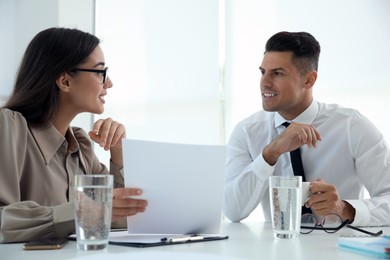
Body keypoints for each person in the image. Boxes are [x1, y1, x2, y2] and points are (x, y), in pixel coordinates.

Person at [224, 31, 390, 227]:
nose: (264, 83)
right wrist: (270, 153)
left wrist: (344, 208)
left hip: (339, 252)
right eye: (262, 72)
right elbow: (233, 211)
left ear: (309, 80)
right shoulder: (246, 132)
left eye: (277, 73)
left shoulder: (352, 126)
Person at [0, 27, 148, 243]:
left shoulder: (81, 146)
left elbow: (123, 214)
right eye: (100, 72)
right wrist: (82, 211)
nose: (109, 83)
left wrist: (119, 153)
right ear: (65, 81)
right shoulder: (9, 127)